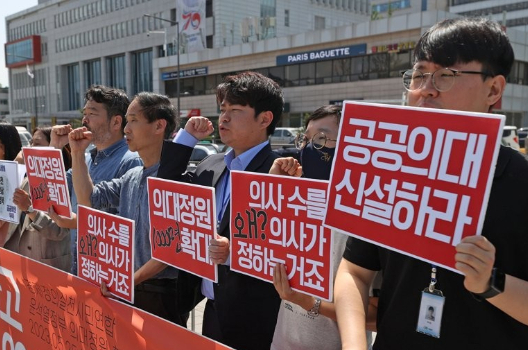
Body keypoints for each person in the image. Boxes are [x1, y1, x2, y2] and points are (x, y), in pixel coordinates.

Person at [334, 18, 528, 349]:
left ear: (494, 89)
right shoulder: (387, 170)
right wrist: (354, 345)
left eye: (446, 75)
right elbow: (354, 273)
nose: (426, 88)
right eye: (418, 75)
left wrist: (491, 283)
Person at [157, 71, 283, 349]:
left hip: (258, 317)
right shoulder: (211, 164)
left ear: (265, 119)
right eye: (222, 109)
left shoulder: (281, 171)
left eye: (235, 110)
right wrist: (186, 138)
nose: (223, 118)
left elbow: (287, 246)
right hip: (211, 308)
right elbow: (165, 189)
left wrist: (234, 251)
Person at [68, 92, 185, 326]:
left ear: (159, 126)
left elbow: (171, 250)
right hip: (126, 287)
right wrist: (78, 153)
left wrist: (129, 281)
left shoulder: (177, 181)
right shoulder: (132, 176)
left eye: (133, 120)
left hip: (162, 294)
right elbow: (88, 200)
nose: (126, 129)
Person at [269, 105, 376, 350]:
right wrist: (275, 186)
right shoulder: (296, 203)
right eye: (305, 139)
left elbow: (376, 315)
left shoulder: (367, 217)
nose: (308, 148)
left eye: (321, 139)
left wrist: (309, 303)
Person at [49, 85, 142, 276]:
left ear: (116, 122)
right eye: (84, 113)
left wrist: (78, 222)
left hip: (109, 273)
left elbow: (129, 224)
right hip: (82, 265)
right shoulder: (86, 158)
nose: (84, 120)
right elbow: (48, 188)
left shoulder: (131, 160)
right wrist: (54, 148)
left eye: (92, 113)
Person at [4, 137, 72, 272]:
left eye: (37, 144)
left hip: (47, 267)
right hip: (22, 264)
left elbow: (59, 231)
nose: (29, 147)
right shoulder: (26, 181)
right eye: (30, 142)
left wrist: (29, 209)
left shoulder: (63, 184)